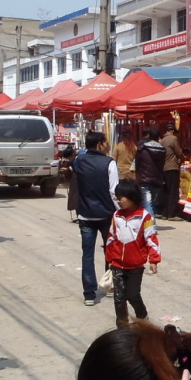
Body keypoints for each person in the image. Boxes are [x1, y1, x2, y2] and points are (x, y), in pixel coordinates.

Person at [105, 179, 161, 328]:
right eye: (117, 198)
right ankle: (122, 327)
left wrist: (154, 260)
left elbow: (151, 239)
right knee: (119, 298)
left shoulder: (144, 216)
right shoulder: (116, 216)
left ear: (132, 197)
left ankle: (143, 319)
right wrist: (109, 258)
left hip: (135, 266)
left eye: (121, 197)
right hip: (117, 264)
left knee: (133, 296)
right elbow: (111, 238)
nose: (119, 201)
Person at [73, 131, 119, 305]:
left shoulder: (79, 161)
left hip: (85, 214)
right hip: (106, 214)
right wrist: (120, 212)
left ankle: (89, 294)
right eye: (106, 142)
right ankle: (109, 286)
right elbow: (114, 191)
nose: (108, 145)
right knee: (110, 251)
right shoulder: (109, 163)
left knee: (87, 255)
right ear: (100, 144)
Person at [134, 129, 167, 220]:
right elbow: (162, 165)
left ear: (149, 136)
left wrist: (137, 176)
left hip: (144, 180)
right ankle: (148, 222)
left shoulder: (143, 148)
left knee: (147, 203)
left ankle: (151, 225)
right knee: (151, 202)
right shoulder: (162, 150)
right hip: (157, 180)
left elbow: (137, 163)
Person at [159, 124, 184, 219]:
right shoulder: (173, 138)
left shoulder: (162, 140)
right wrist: (184, 157)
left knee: (165, 191)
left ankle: (165, 213)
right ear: (172, 131)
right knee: (173, 191)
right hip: (172, 168)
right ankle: (172, 213)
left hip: (163, 168)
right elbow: (179, 152)